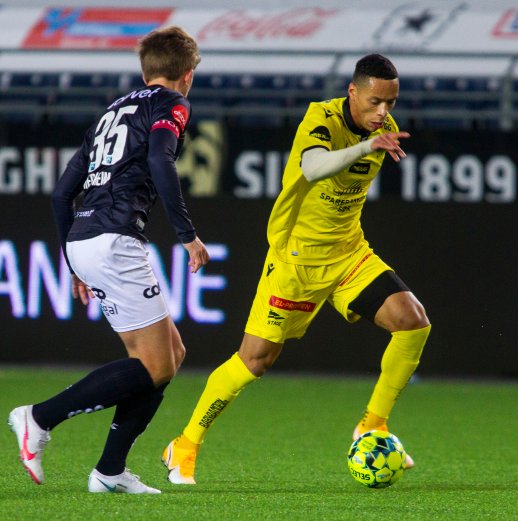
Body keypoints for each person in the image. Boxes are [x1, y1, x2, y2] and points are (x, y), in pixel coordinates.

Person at [162, 53, 431, 485]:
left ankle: (372, 424)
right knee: (254, 362)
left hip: (348, 254)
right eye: (376, 101)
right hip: (296, 261)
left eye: (391, 103)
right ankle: (185, 444)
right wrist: (366, 146)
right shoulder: (321, 119)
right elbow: (313, 166)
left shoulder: (382, 127)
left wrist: (375, 137)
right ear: (353, 92)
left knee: (413, 322)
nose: (383, 112)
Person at [8, 25, 209, 495]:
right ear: (187, 74)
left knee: (169, 355)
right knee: (157, 365)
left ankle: (110, 470)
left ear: (145, 69)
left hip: (84, 236)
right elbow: (162, 161)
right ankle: (39, 417)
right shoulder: (171, 104)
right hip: (115, 239)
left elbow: (62, 193)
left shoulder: (108, 114)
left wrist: (72, 262)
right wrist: (187, 235)